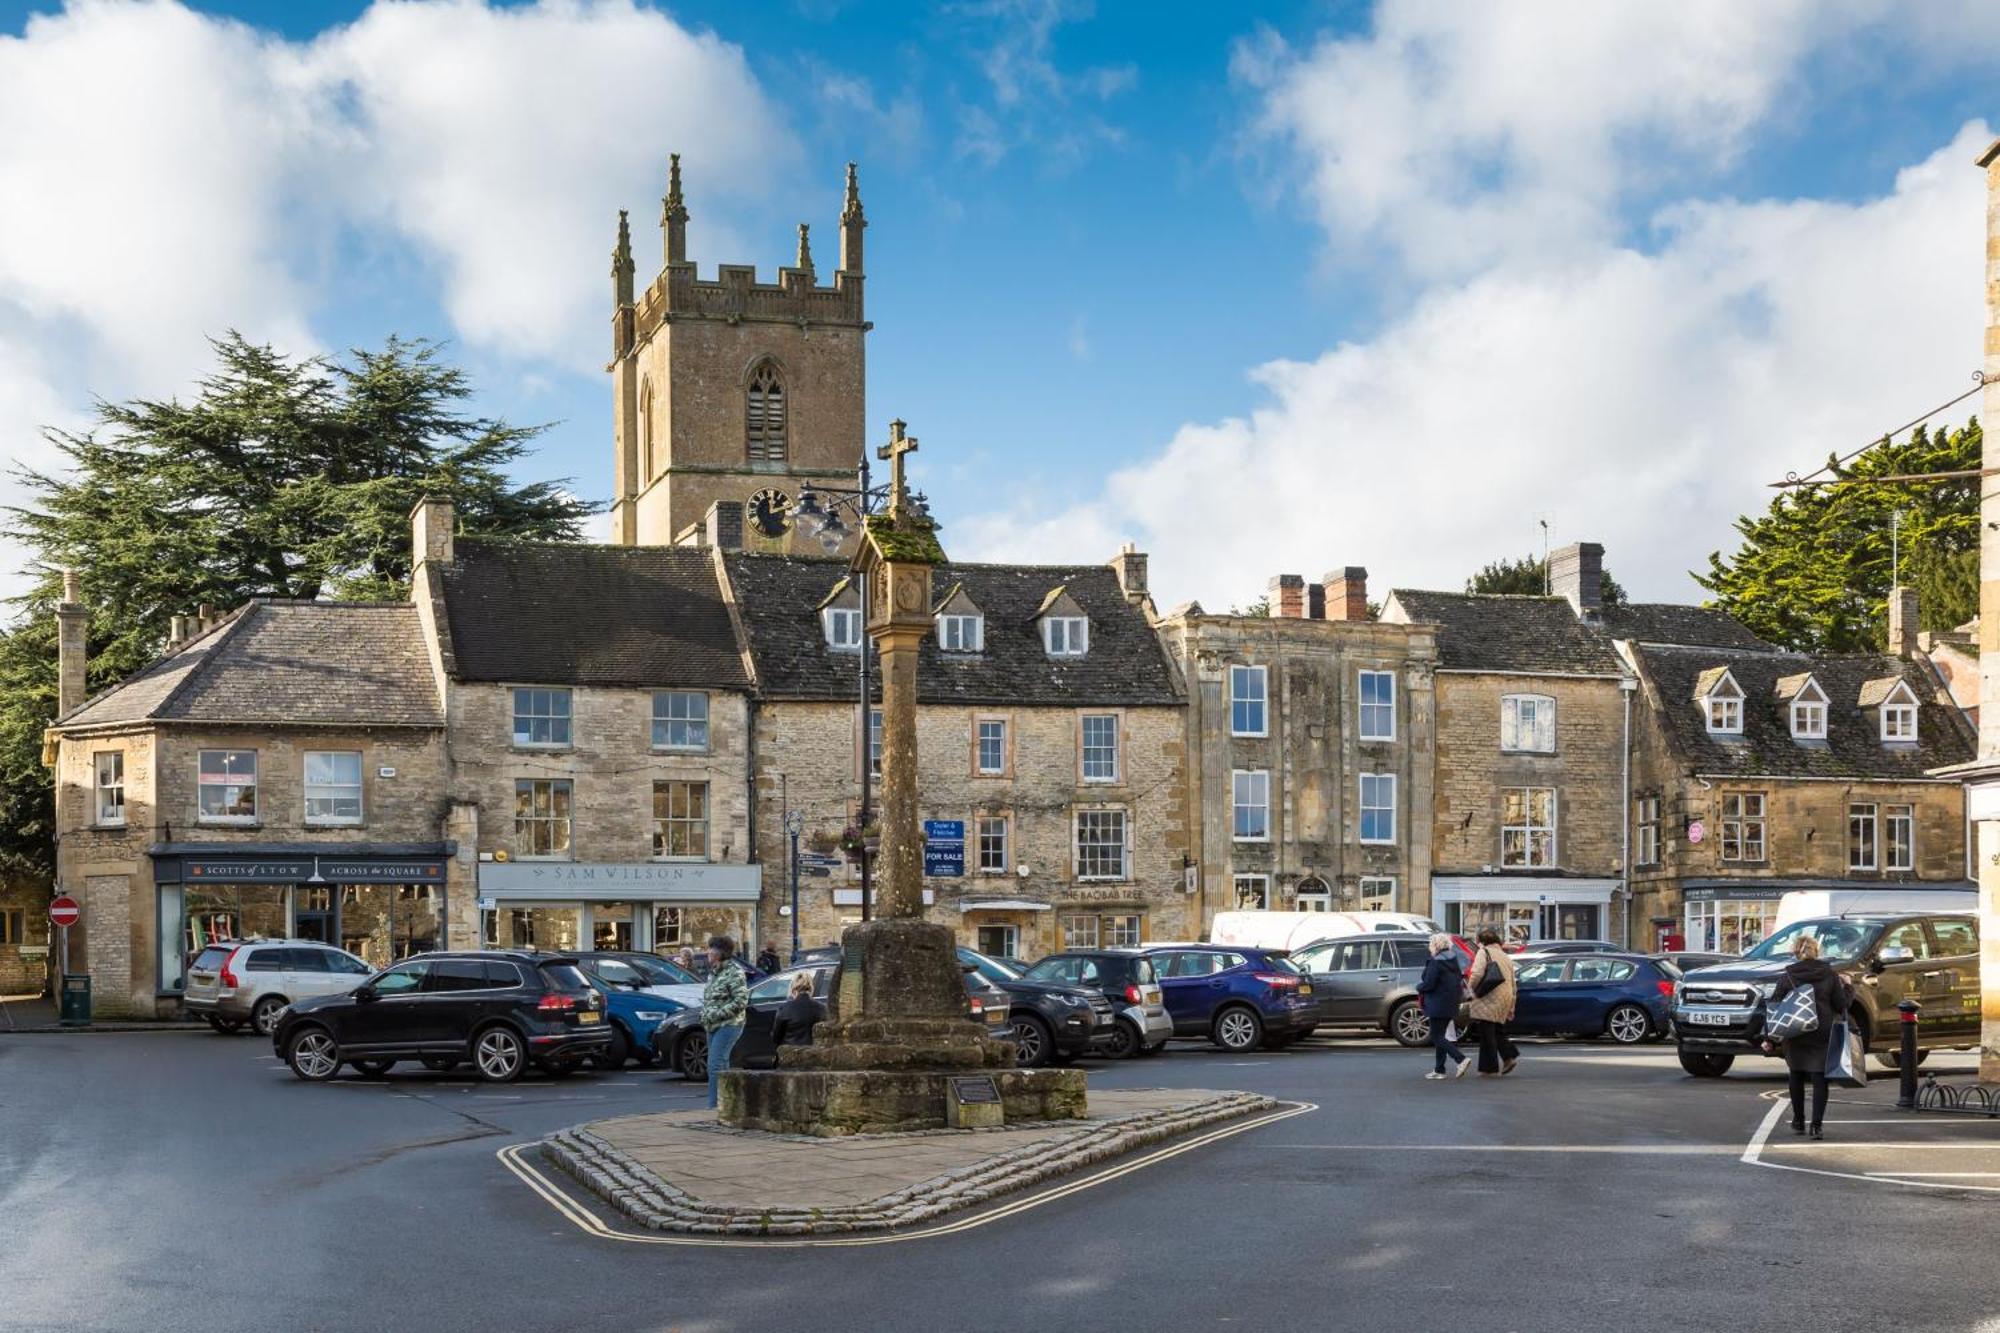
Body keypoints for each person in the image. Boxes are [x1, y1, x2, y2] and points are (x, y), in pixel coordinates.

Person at [1764, 933, 1850, 1140]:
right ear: (1816, 952)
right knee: (1819, 1077)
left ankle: (1798, 1121)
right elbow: (1841, 1005)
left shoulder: (1789, 975)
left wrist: (1769, 1037)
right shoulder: (1829, 974)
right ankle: (1817, 1126)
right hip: (1821, 1030)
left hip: (1795, 1031)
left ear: (1795, 952)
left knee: (1796, 1074)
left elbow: (1775, 1004)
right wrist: (1848, 986)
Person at [698, 935, 748, 1110]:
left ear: (719, 953)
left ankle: (714, 1108)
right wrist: (705, 1014)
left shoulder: (734, 971)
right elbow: (710, 998)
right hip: (712, 1025)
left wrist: (717, 1014)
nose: (707, 952)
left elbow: (741, 1001)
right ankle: (728, 1105)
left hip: (729, 1024)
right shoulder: (714, 972)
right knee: (722, 1066)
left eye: (710, 949)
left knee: (715, 1066)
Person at [1416, 933, 1470, 1080]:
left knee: (1436, 1036)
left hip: (1437, 1003)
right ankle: (1440, 1070)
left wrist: (1419, 987)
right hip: (1451, 1002)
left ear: (1436, 946)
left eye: (1430, 944)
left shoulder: (1436, 962)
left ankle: (1460, 1059)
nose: (1429, 947)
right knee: (1441, 1036)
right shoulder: (1453, 959)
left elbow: (1429, 983)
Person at [1466, 928, 1520, 1076]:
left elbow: (1477, 974)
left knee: (1486, 1033)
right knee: (1497, 1030)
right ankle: (1509, 1057)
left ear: (1482, 942)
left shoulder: (1484, 952)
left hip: (1488, 996)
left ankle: (1488, 1068)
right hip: (1505, 997)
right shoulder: (1505, 956)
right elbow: (1513, 983)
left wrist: (1469, 988)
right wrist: (1512, 1006)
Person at [769, 970, 827, 1049]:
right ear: (811, 989)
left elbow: (776, 1038)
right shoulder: (822, 1008)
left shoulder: (785, 1008)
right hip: (814, 1054)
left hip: (791, 1053)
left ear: (793, 990)